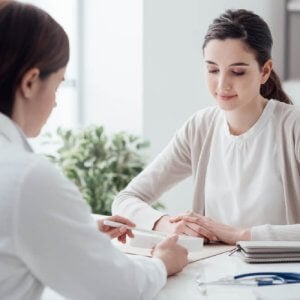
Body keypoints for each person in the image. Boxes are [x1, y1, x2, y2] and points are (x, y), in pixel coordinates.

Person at [0, 1, 188, 299]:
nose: (56, 102)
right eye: (58, 84)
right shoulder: (27, 177)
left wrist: (77, 232)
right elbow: (118, 288)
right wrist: (162, 263)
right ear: (30, 82)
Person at [113, 9, 300, 245]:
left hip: (283, 279)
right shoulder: (200, 127)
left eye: (237, 72)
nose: (222, 84)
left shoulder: (293, 127)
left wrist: (240, 235)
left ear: (264, 71)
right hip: (212, 275)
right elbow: (126, 198)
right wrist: (167, 225)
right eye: (212, 69)